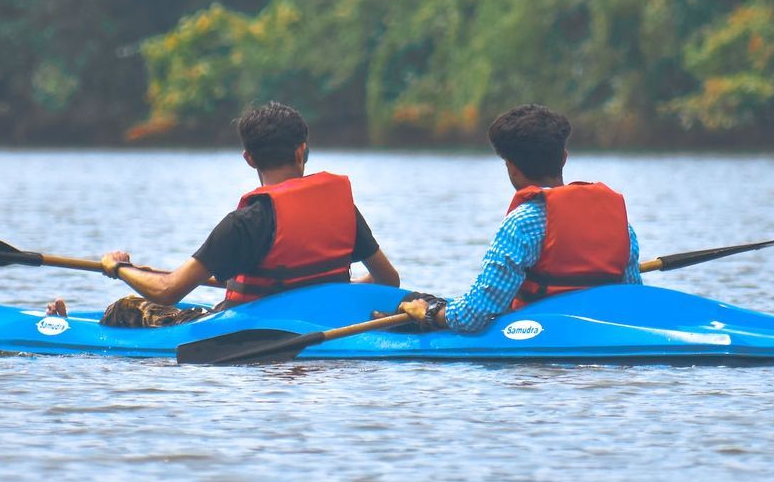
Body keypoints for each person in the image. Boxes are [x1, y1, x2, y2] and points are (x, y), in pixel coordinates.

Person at [48, 101, 400, 326]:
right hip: (329, 322)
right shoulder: (341, 208)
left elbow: (168, 291)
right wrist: (330, 290)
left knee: (124, 307)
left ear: (249, 159)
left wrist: (119, 268)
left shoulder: (246, 222)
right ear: (301, 152)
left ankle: (63, 328)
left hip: (249, 327)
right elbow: (388, 280)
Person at [398, 103, 642, 334]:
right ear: (564, 157)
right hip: (604, 329)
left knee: (411, 301)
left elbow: (474, 316)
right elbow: (631, 296)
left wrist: (431, 312)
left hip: (539, 333)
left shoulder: (522, 223)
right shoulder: (620, 225)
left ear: (512, 168)